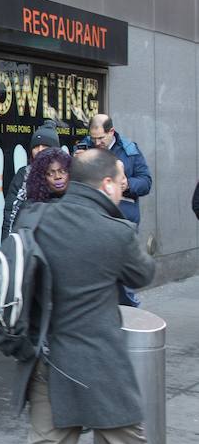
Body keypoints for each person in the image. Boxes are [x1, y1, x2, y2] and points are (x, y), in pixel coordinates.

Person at [14, 149, 156, 444]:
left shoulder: (36, 219)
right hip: (100, 364)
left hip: (47, 361)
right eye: (120, 181)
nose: (124, 187)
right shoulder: (115, 232)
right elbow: (142, 274)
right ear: (106, 184)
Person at [80, 114, 152, 307]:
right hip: (93, 219)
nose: (97, 142)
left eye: (101, 138)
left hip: (123, 219)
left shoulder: (130, 150)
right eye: (93, 138)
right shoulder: (83, 148)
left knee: (123, 279)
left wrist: (128, 184)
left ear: (111, 132)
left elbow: (146, 182)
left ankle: (131, 318)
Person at [2, 120, 59, 239]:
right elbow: (11, 212)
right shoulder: (24, 174)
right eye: (36, 146)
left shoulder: (63, 175)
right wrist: (8, 242)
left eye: (45, 146)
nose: (39, 150)